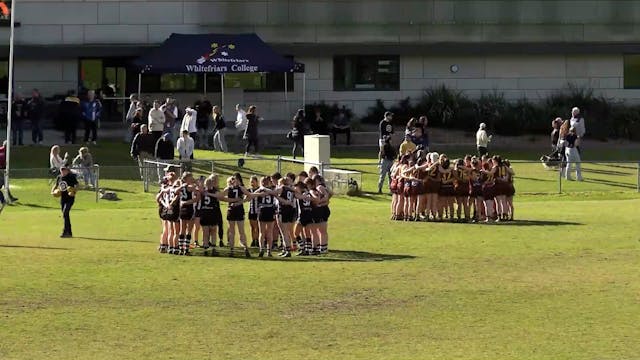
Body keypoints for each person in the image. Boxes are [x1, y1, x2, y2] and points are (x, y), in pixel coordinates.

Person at [51, 165, 78, 238]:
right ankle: (69, 232)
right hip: (63, 199)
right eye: (61, 170)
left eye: (64, 170)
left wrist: (74, 192)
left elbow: (77, 185)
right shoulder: (59, 177)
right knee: (65, 214)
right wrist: (52, 191)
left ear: (67, 170)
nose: (63, 171)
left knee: (65, 212)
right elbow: (56, 185)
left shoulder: (71, 176)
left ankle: (65, 231)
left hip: (70, 198)